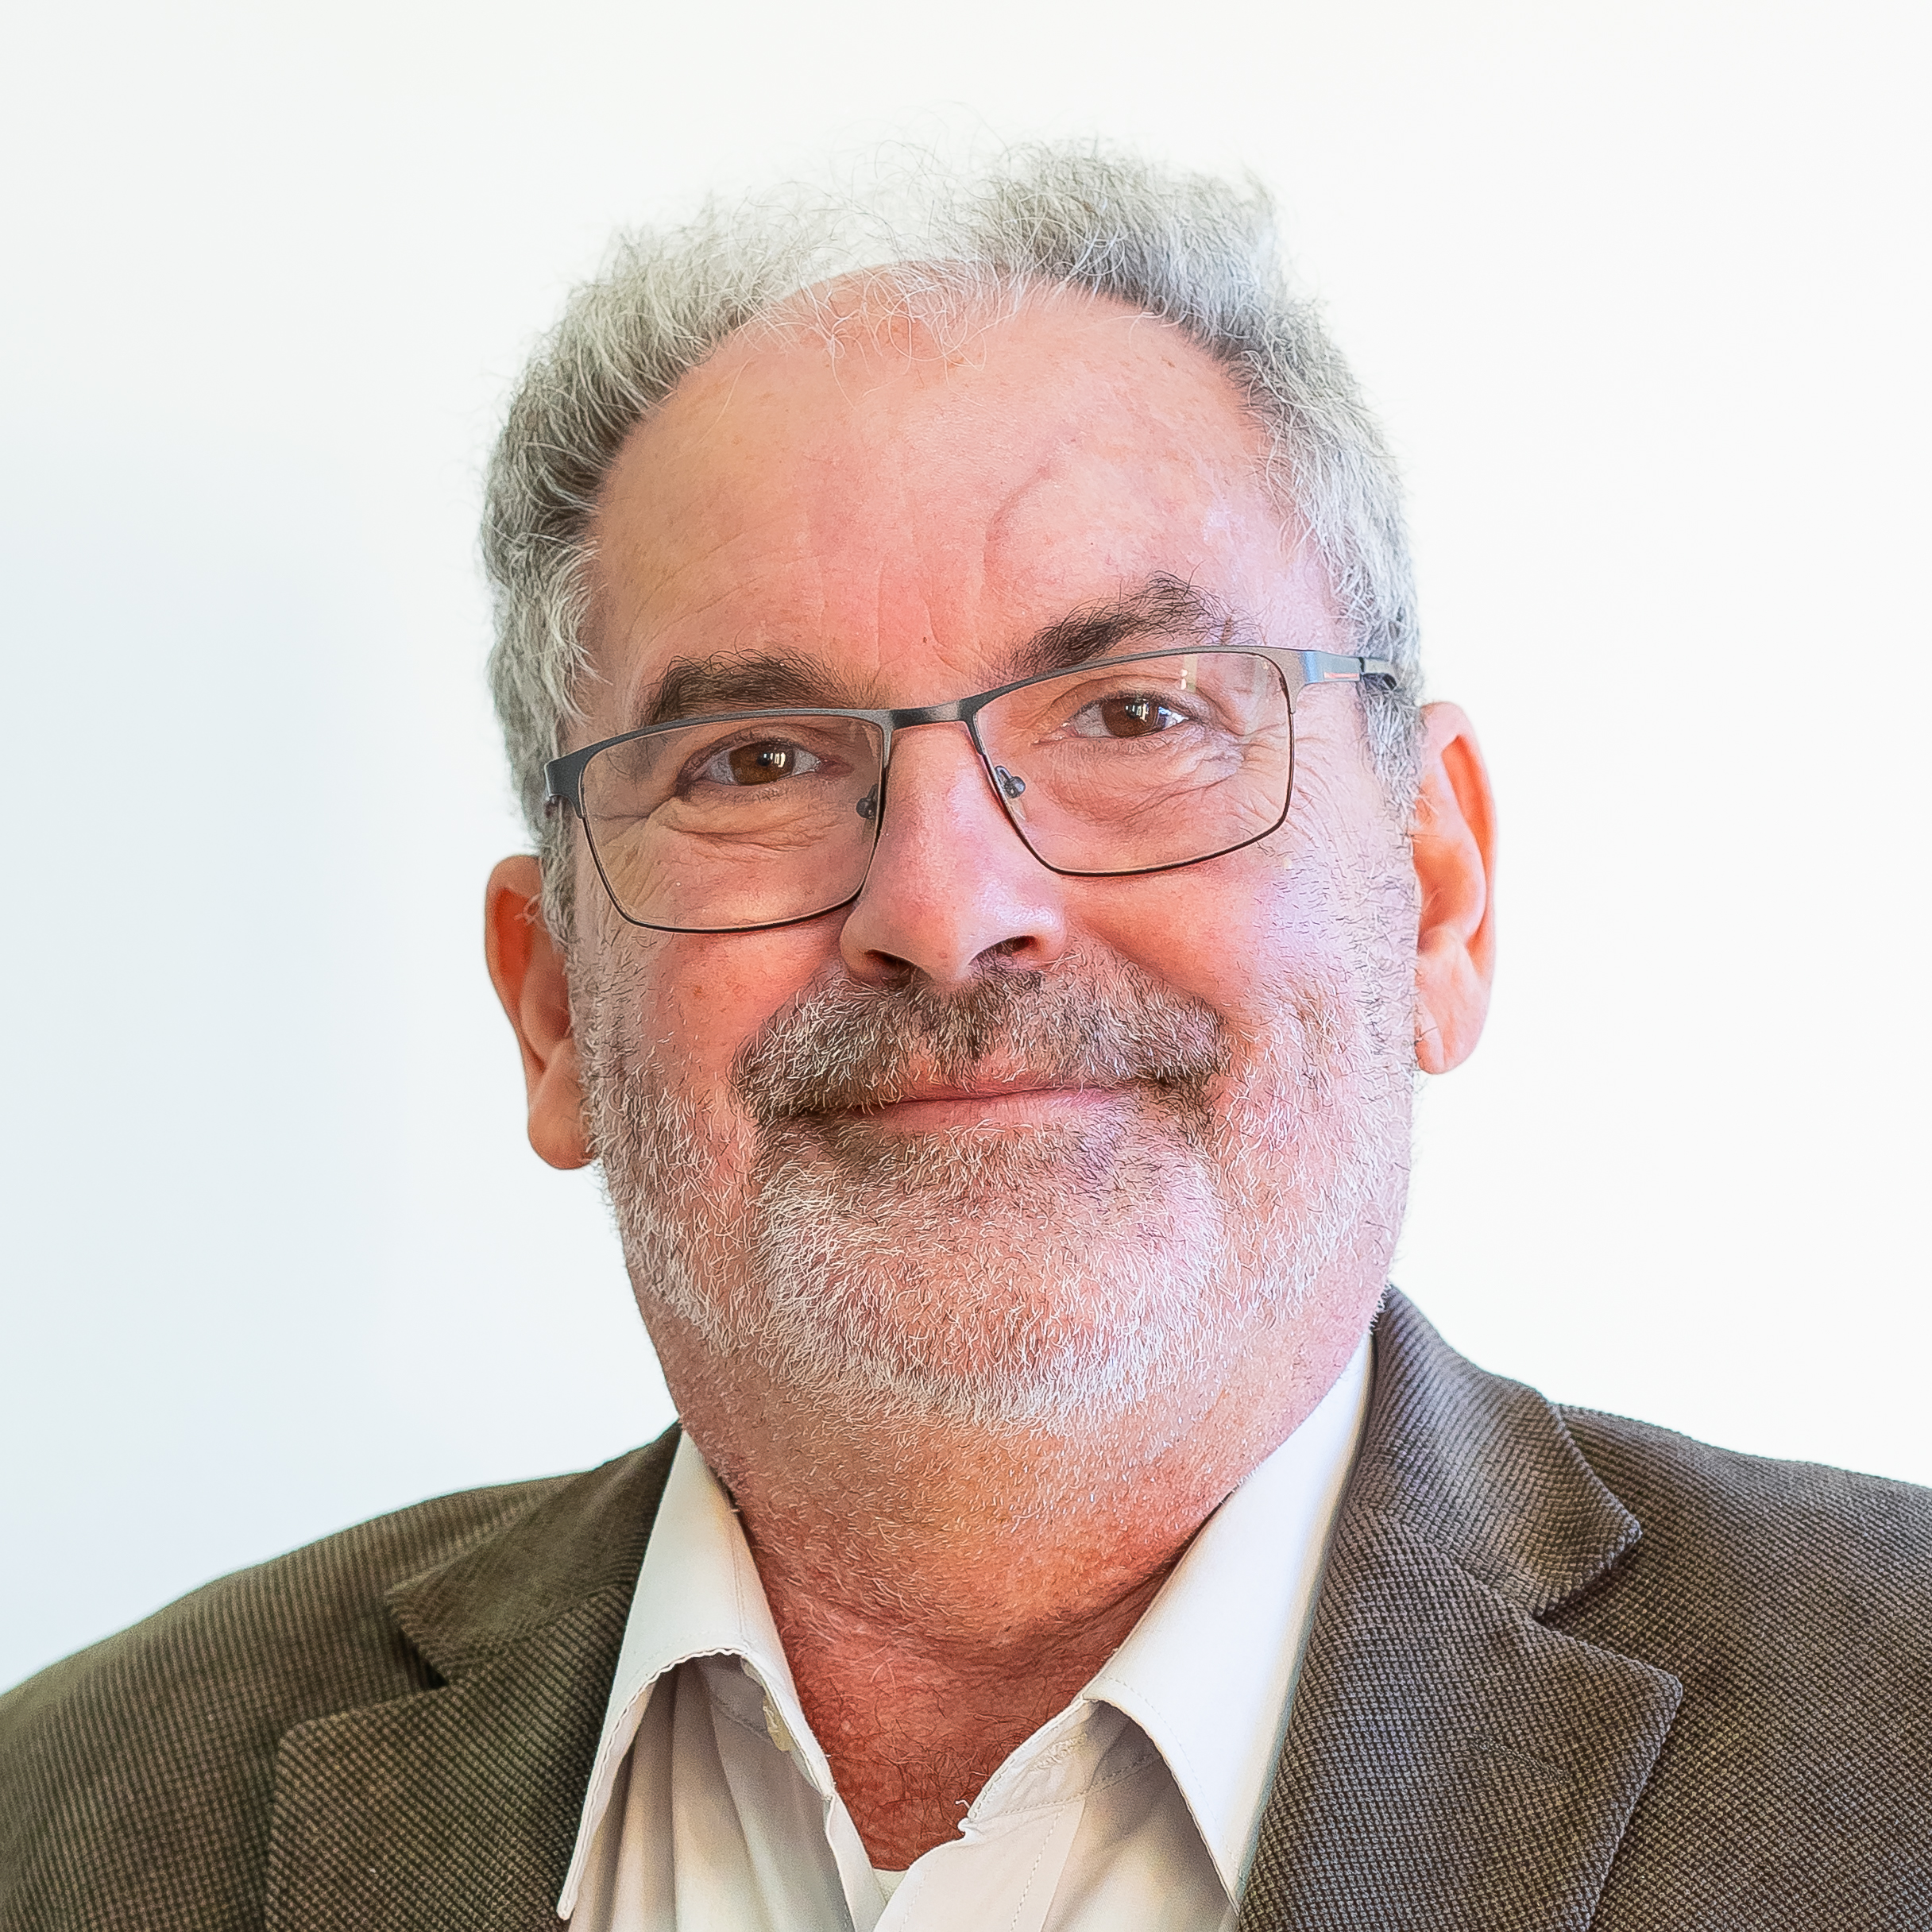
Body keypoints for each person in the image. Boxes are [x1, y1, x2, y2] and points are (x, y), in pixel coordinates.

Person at [2, 146, 1927, 1932]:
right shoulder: (65, 1824)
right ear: (553, 1003)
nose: (942, 906)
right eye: (754, 761)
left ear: (1433, 893)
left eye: (1133, 713)